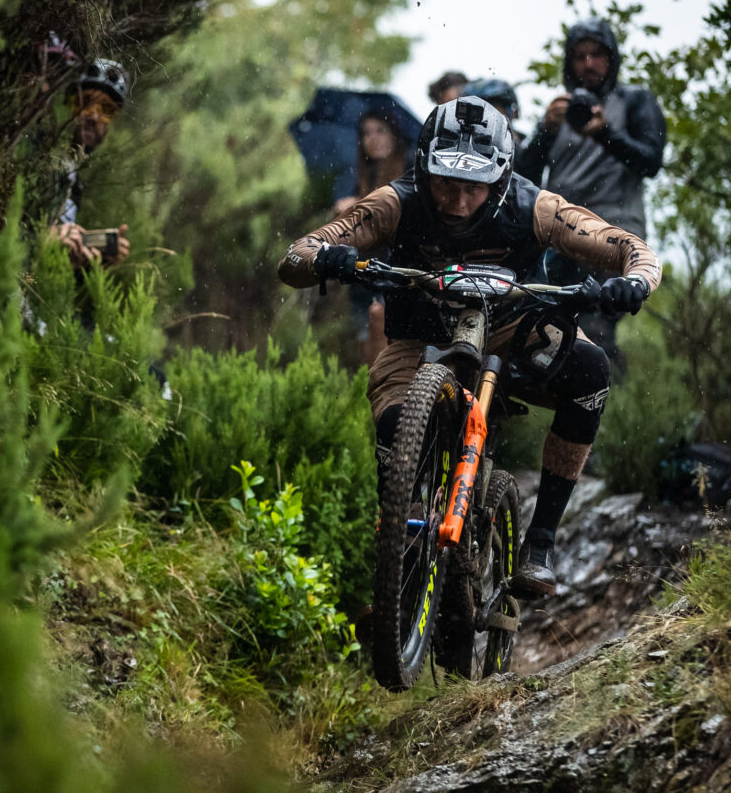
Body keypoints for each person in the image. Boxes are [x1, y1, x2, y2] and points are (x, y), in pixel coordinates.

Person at [278, 96, 661, 597]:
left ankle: (540, 542)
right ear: (424, 168)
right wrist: (327, 260)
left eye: (473, 189)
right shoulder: (397, 200)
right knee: (395, 426)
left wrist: (634, 281)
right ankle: (404, 560)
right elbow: (295, 256)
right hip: (419, 334)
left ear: (500, 179)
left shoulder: (535, 207)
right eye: (445, 184)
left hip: (512, 327)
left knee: (590, 368)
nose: (458, 202)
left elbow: (630, 247)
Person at [515, 17, 666, 367]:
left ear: (612, 59)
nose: (589, 64)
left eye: (597, 54)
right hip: (560, 232)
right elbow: (522, 179)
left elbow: (651, 160)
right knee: (548, 326)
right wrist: (544, 131)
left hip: (614, 232)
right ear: (569, 62)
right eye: (580, 56)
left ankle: (608, 403)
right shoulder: (559, 111)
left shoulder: (634, 101)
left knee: (597, 326)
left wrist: (606, 134)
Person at [333, 109, 413, 366]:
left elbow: (405, 217)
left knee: (387, 354)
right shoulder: (361, 176)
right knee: (366, 353)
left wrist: (363, 207)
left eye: (380, 131)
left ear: (395, 135)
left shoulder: (409, 170)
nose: (373, 139)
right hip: (362, 275)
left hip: (394, 273)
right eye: (366, 133)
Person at [47, 56, 132, 269]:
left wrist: (93, 264)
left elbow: (50, 269)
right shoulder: (38, 160)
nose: (94, 116)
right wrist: (43, 241)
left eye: (106, 110)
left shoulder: (74, 182)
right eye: (86, 102)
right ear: (68, 103)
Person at [464, 77, 525, 144]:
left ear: (513, 113)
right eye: (478, 110)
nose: (485, 115)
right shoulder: (460, 137)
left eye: (493, 108)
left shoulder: (525, 144)